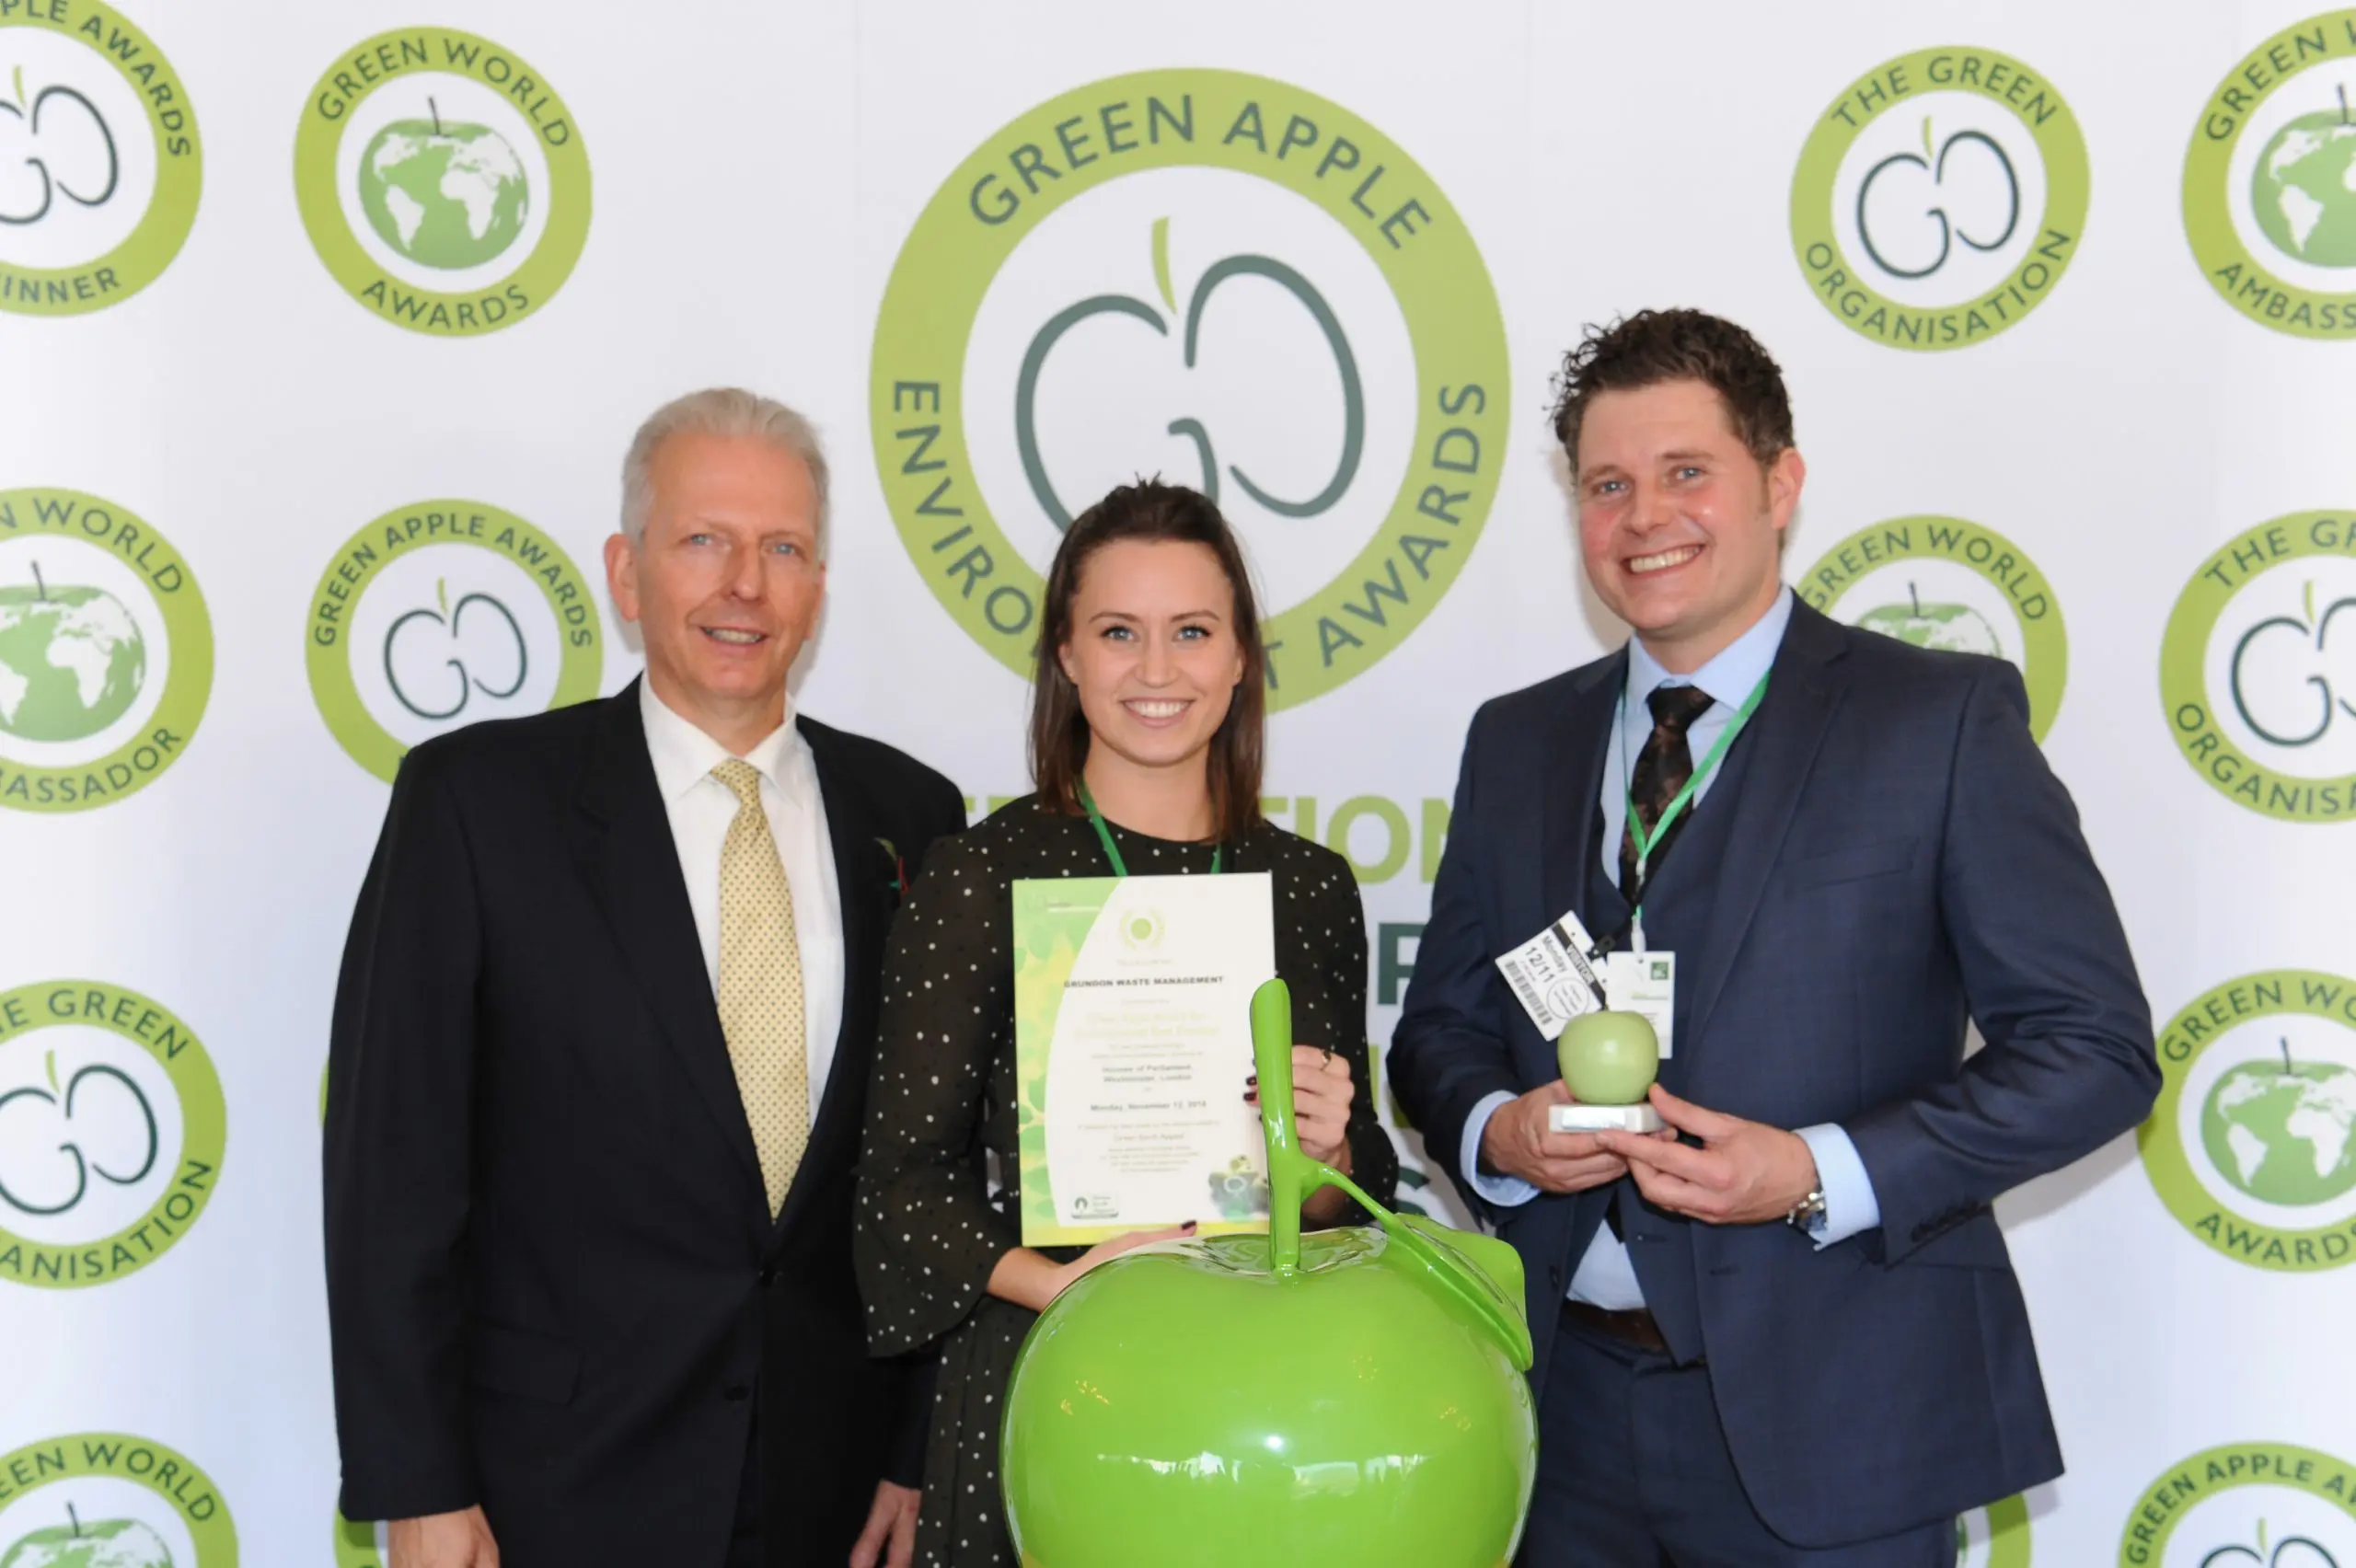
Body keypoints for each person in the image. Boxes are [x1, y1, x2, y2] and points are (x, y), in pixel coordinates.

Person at [1389, 310, 2158, 1567]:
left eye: (1687, 473)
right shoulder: (1516, 742)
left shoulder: (1939, 722)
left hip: (1842, 1425)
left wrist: (1816, 1172)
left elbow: (2093, 1049)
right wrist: (1497, 1134)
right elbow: (1445, 1029)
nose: (1646, 518)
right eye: (1607, 485)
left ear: (1780, 484)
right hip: (1555, 1425)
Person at [324, 389, 968, 1568]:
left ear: (817, 588)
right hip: (551, 1493)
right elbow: (392, 1176)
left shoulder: (913, 816)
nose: (745, 585)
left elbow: (930, 1164)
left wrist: (914, 1448)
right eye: (703, 542)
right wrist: (416, 1485)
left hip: (834, 1489)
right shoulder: (476, 807)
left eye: (782, 549)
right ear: (626, 575)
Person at [853, 478, 1398, 1567]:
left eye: (1191, 632)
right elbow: (899, 1191)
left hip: (1263, 1394)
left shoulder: (1308, 886)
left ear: (1241, 656)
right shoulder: (980, 875)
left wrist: (1328, 1150)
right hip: (1045, 1377)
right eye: (1118, 633)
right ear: (1066, 657)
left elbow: (1353, 1192)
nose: (1157, 671)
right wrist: (1060, 1285)